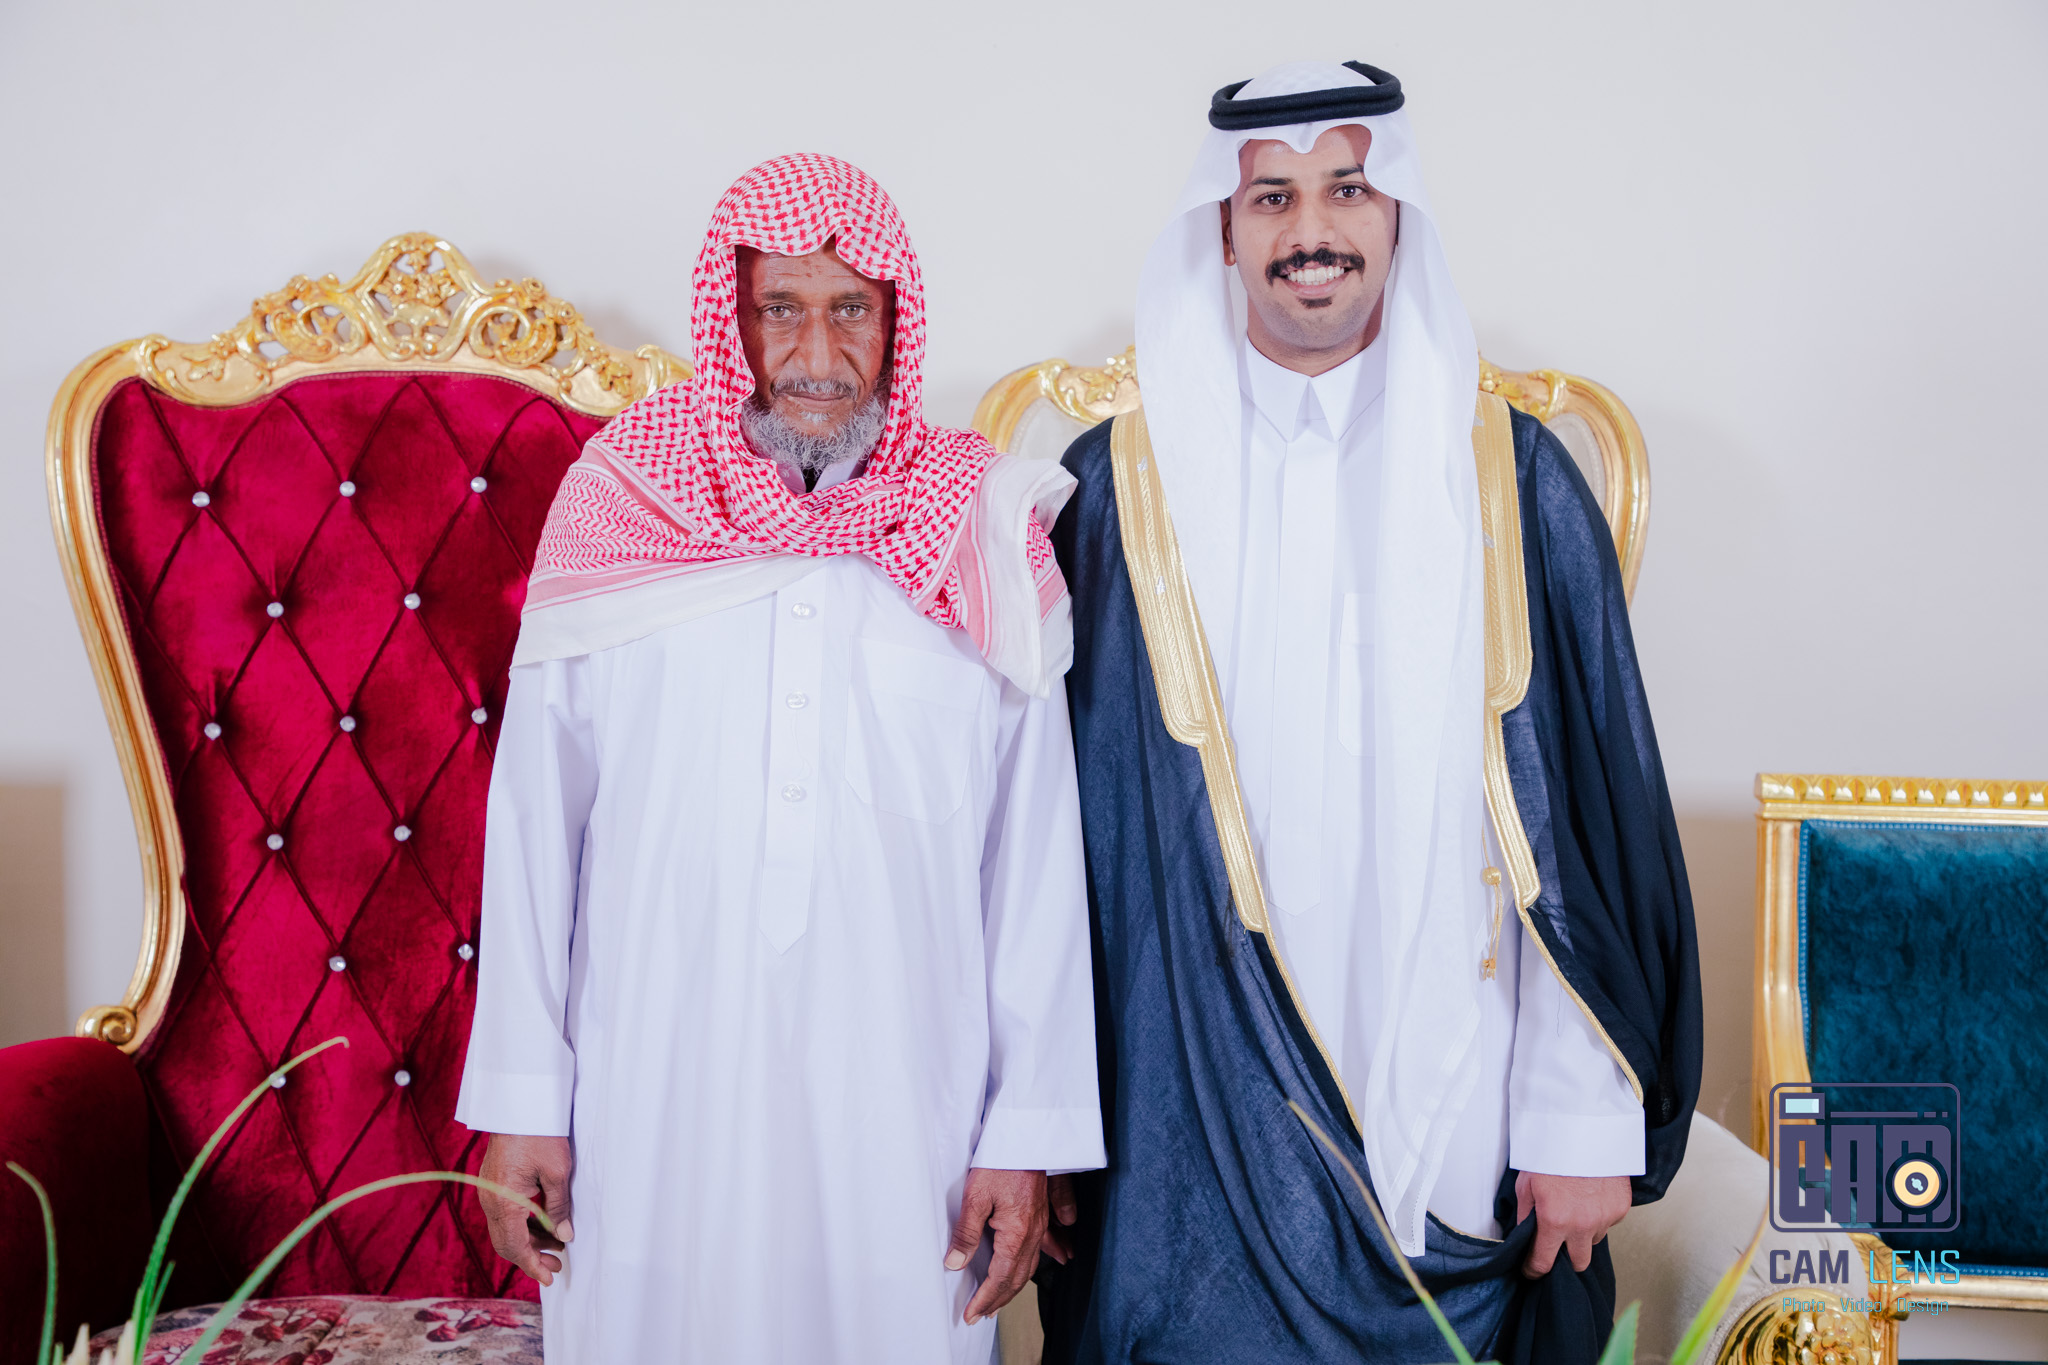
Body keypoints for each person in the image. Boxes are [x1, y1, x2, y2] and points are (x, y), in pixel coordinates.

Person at [1036, 62, 1702, 1364]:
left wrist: (1576, 1122)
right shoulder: (1117, 492)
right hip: (1180, 1106)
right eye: (1271, 199)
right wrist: (1046, 1121)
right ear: (1221, 232)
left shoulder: (1513, 480)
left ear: (1397, 215)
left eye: (1346, 190)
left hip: (1457, 1106)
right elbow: (1052, 846)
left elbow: (1584, 820)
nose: (1311, 231)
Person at [454, 153, 1105, 1364]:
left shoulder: (976, 527)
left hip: (907, 1119)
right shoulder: (619, 505)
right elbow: (536, 828)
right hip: (649, 1106)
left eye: (850, 307)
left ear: (895, 321)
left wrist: (1026, 1130)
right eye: (779, 308)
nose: (817, 350)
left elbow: (1034, 859)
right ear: (731, 320)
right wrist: (522, 1102)